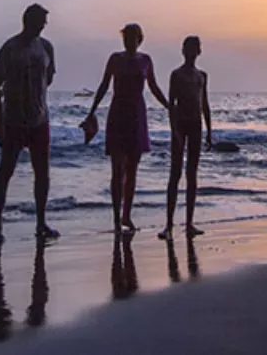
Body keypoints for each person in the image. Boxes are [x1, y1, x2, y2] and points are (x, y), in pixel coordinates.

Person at [85, 23, 170, 235]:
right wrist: (92, 111)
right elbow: (104, 85)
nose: (128, 41)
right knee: (117, 169)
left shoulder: (145, 61)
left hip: (137, 115)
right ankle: (115, 217)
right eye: (125, 37)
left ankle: (126, 216)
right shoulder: (115, 59)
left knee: (132, 169)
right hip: (118, 113)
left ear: (139, 40)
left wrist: (169, 107)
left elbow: (153, 86)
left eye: (132, 38)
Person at [0, 4, 59, 245]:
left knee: (42, 173)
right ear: (27, 20)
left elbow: (48, 79)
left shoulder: (47, 47)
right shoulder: (10, 47)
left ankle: (41, 223)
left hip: (40, 120)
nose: (43, 26)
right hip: (13, 120)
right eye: (40, 21)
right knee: (5, 171)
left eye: (44, 22)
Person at [158, 35, 213, 240]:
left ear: (199, 51)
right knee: (175, 173)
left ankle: (189, 223)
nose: (192, 51)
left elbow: (204, 104)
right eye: (188, 47)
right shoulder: (177, 74)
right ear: (183, 51)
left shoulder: (202, 76)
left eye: (195, 48)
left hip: (196, 125)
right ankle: (169, 225)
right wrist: (174, 131)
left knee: (192, 174)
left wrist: (210, 131)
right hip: (180, 124)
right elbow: (171, 104)